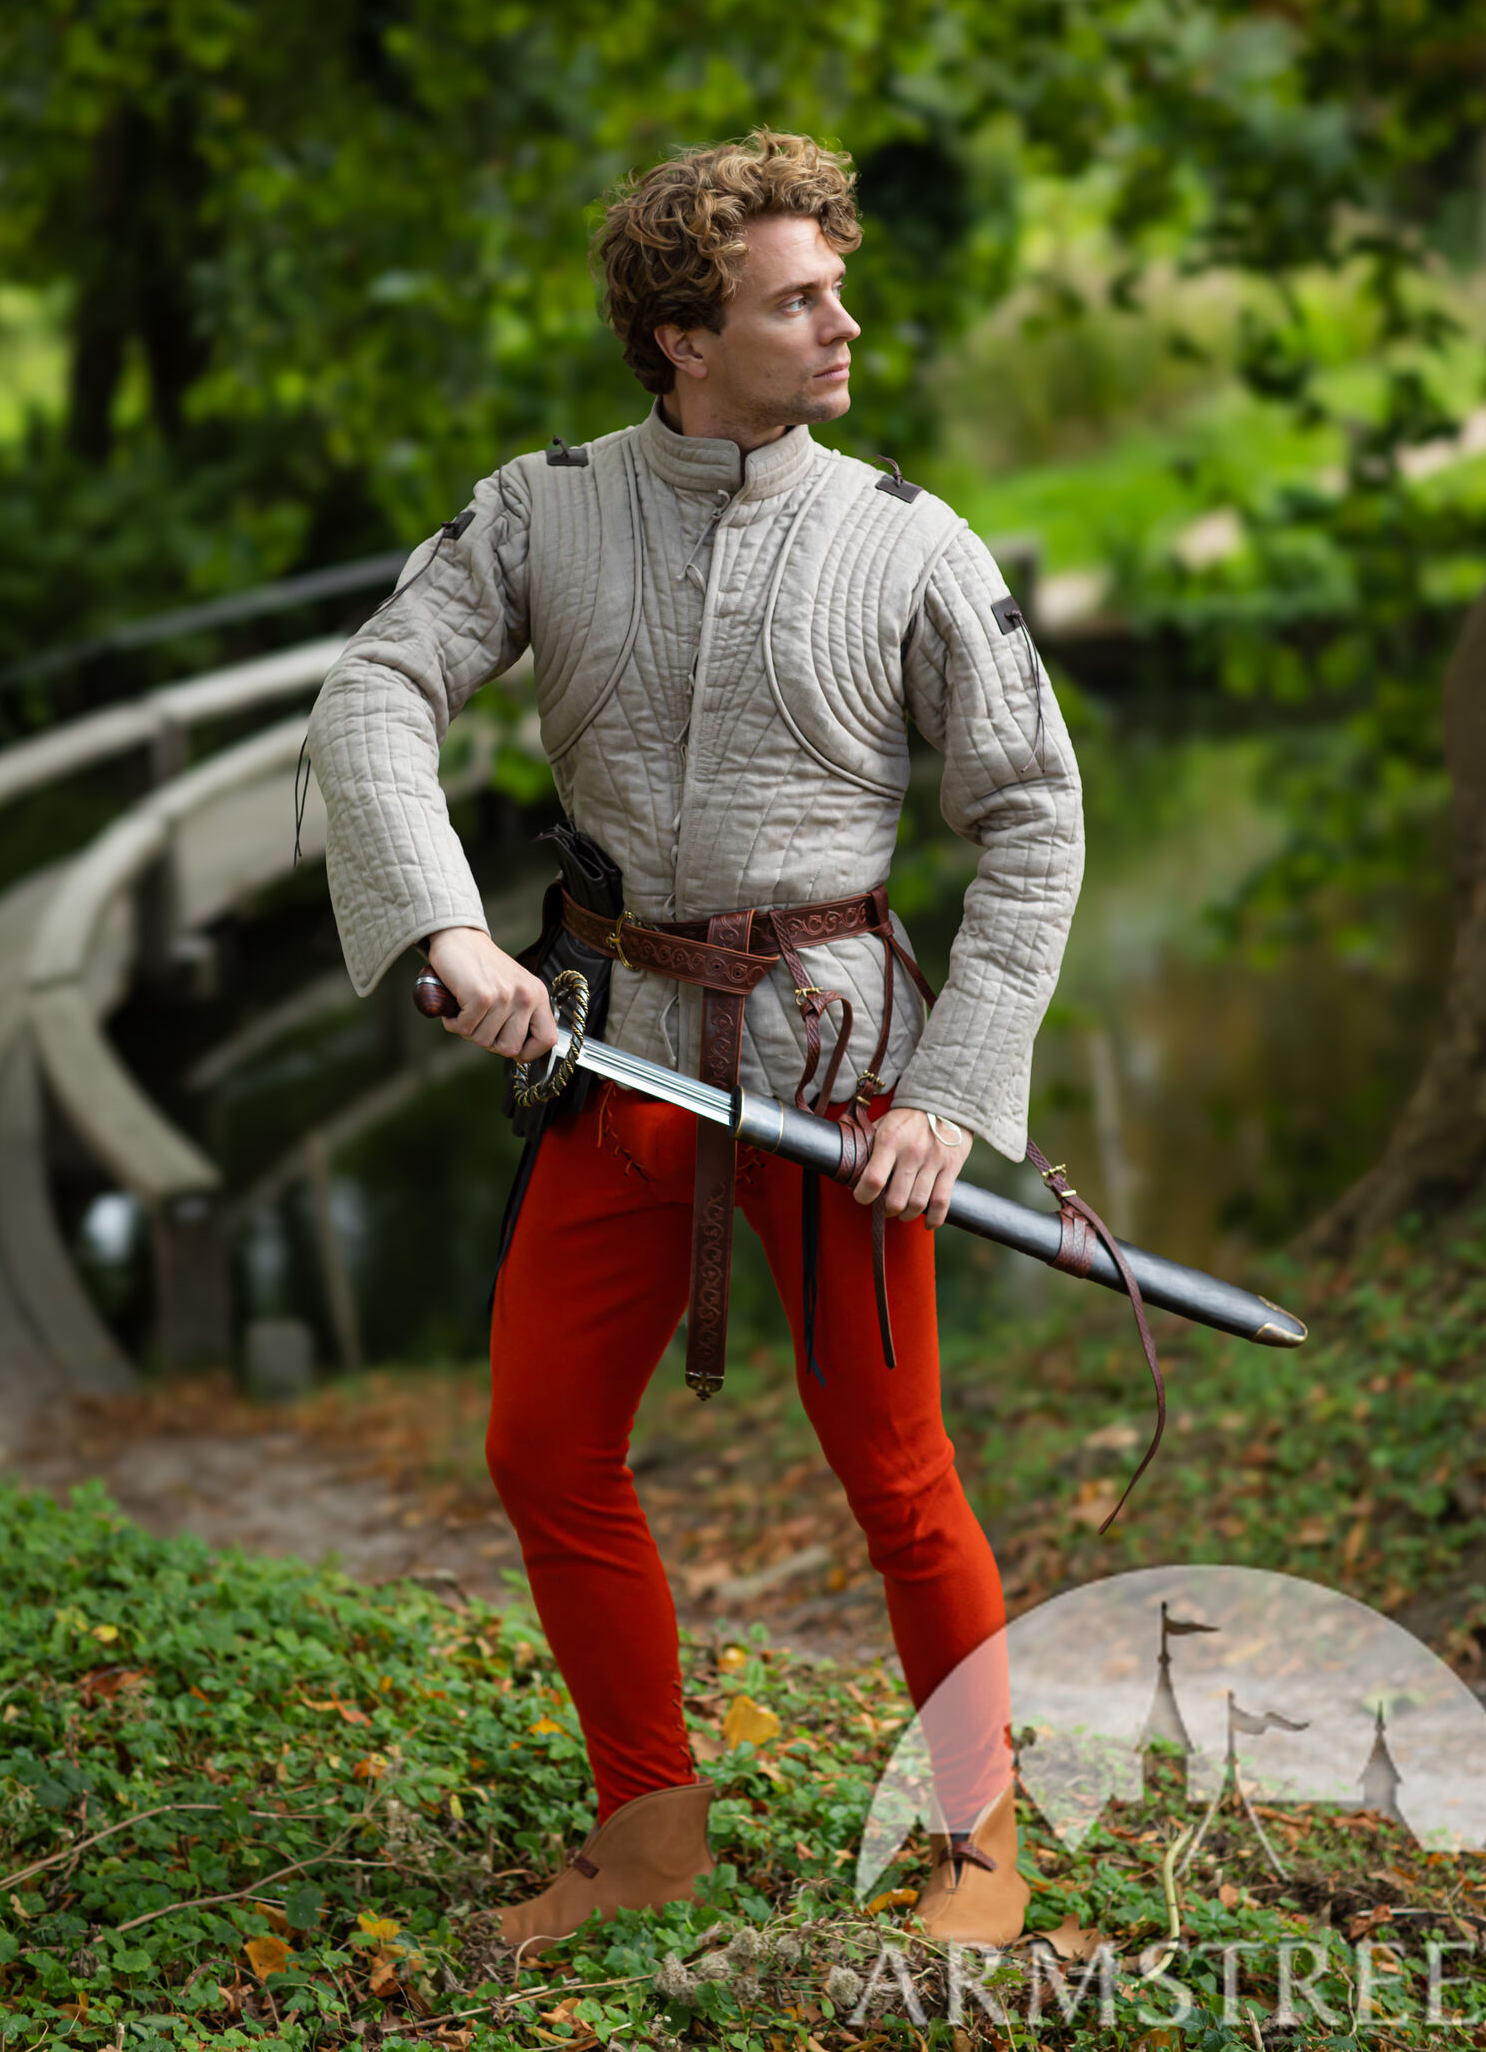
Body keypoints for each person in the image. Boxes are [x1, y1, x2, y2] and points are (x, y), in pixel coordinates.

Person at [307, 129, 1083, 1948]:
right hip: (614, 1055)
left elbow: (1035, 817)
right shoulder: (544, 510)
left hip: (841, 1080)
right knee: (541, 1444)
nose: (845, 326)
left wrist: (953, 1095)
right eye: (798, 302)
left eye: (837, 291)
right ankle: (650, 1832)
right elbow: (376, 684)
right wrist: (443, 925)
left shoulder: (909, 542)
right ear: (681, 335)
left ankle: (978, 1841)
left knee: (897, 1473)